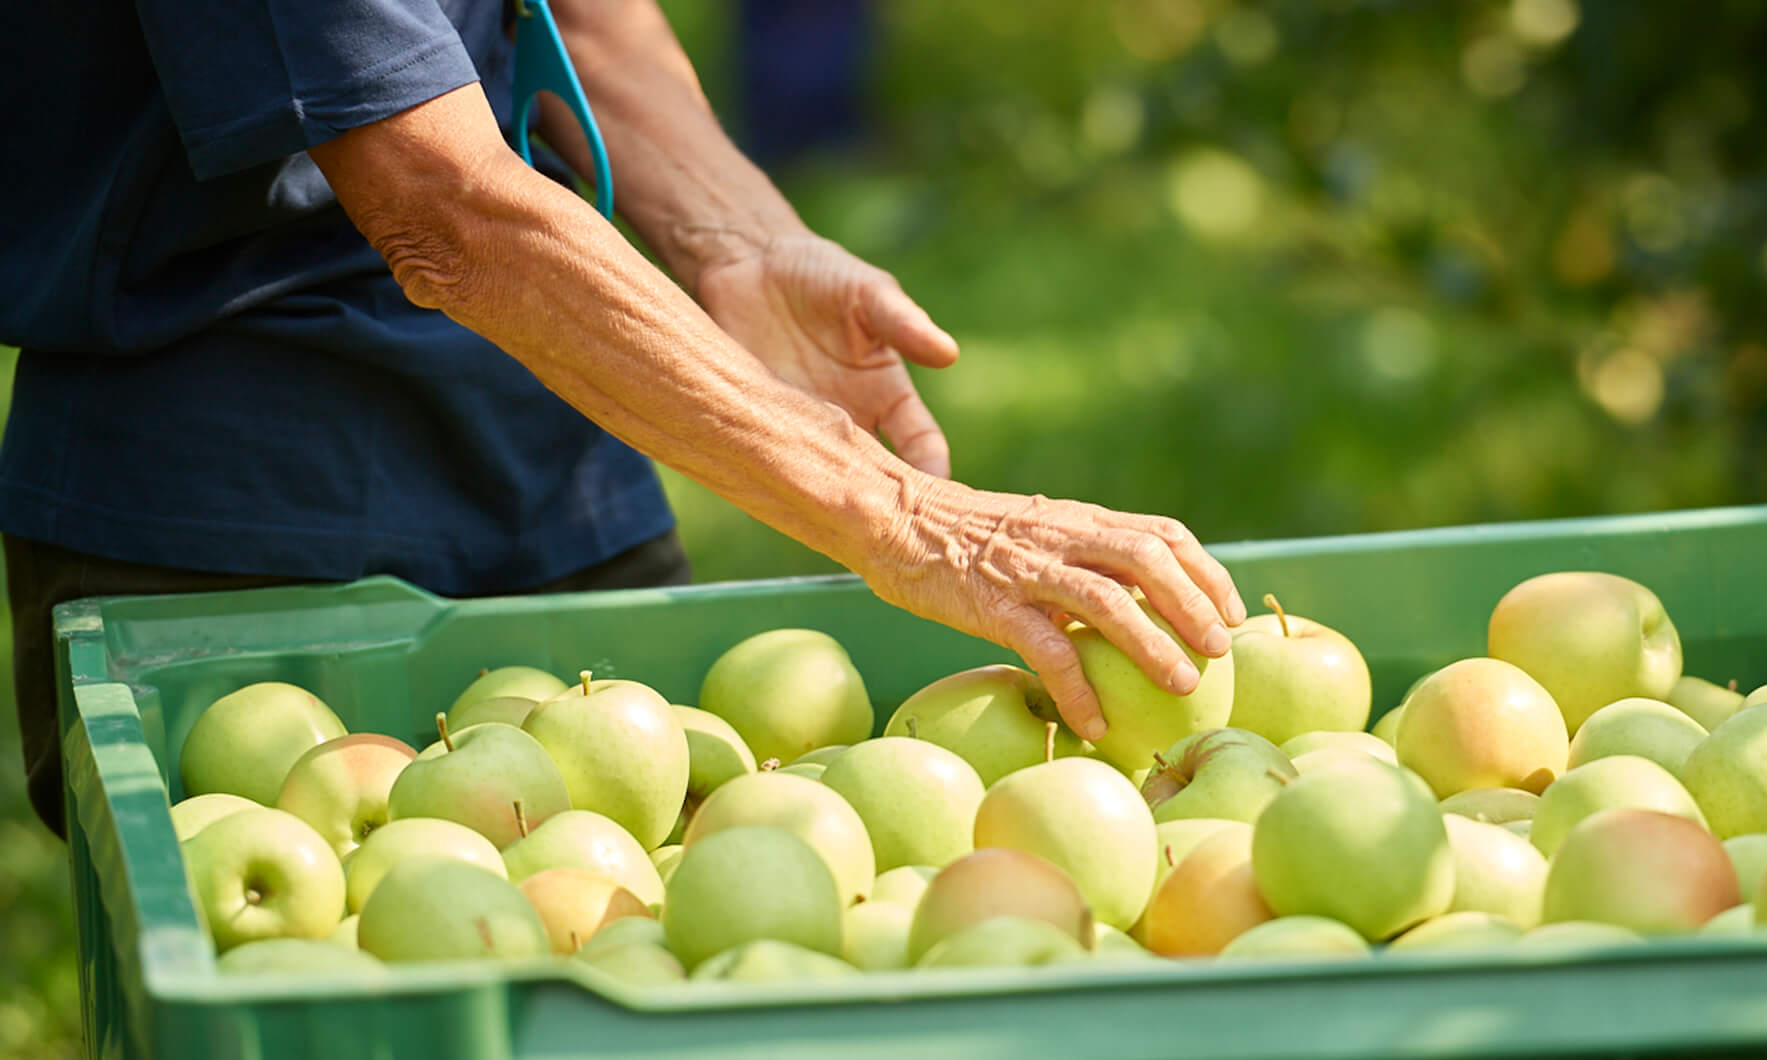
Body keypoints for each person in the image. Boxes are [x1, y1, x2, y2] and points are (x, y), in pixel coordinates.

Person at [0, 0, 1241, 836]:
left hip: (557, 442)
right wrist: (899, 511)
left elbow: (576, 12)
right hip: (235, 505)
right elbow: (443, 206)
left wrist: (733, 234)